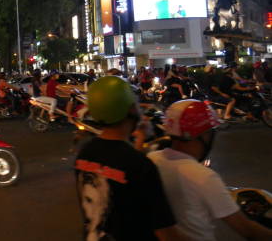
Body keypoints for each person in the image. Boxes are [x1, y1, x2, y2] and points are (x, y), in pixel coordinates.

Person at [75, 76, 187, 241]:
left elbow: (118, 172)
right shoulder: (141, 166)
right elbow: (166, 233)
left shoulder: (85, 153)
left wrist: (140, 139)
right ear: (130, 110)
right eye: (135, 102)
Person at [149, 100, 272, 241]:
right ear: (202, 134)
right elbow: (247, 230)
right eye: (210, 132)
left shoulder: (153, 159)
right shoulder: (203, 176)